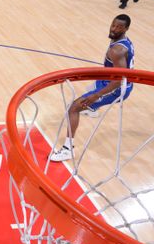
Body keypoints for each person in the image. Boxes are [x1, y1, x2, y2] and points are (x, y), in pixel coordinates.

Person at [50, 14, 135, 162]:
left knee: (74, 108)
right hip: (109, 79)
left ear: (126, 29)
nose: (114, 29)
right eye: (113, 25)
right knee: (90, 88)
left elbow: (118, 80)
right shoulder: (124, 41)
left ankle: (67, 149)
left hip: (116, 87)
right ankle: (93, 109)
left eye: (118, 27)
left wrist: (96, 96)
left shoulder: (117, 51)